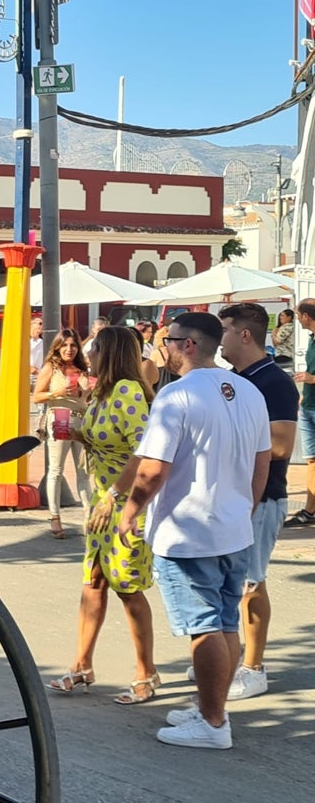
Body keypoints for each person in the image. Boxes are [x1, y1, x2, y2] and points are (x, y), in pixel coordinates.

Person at [116, 312, 269, 750]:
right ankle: (210, 705)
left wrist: (129, 511)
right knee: (223, 621)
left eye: (168, 340)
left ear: (187, 344)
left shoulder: (176, 395)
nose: (163, 347)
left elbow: (153, 469)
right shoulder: (249, 390)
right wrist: (245, 507)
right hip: (232, 525)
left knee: (204, 627)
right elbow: (262, 464)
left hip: (190, 532)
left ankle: (213, 720)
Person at [47, 326, 158, 703]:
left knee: (128, 589)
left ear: (109, 353)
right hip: (101, 502)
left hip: (126, 503)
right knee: (93, 580)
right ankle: (81, 664)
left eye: (94, 350)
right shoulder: (101, 392)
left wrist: (114, 495)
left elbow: (143, 451)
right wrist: (76, 433)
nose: (87, 355)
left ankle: (147, 672)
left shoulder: (129, 391)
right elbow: (104, 439)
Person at [218, 303, 298, 700]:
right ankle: (230, 659)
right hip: (233, 494)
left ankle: (254, 668)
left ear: (245, 334)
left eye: (226, 329)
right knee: (229, 582)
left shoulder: (275, 382)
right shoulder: (234, 378)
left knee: (252, 581)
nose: (221, 337)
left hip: (263, 497)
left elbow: (282, 445)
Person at [32, 328, 92, 538]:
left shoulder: (83, 368)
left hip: (82, 418)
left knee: (83, 470)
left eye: (73, 345)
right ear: (57, 347)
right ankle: (55, 517)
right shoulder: (51, 367)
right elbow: (36, 396)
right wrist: (55, 393)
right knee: (56, 470)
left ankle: (89, 516)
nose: (69, 349)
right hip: (60, 416)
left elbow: (88, 397)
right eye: (65, 345)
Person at [286, 298, 315, 527]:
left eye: (298, 315)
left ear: (307, 316)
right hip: (309, 406)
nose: (297, 319)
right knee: (312, 460)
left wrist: (311, 379)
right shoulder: (312, 339)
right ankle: (310, 509)